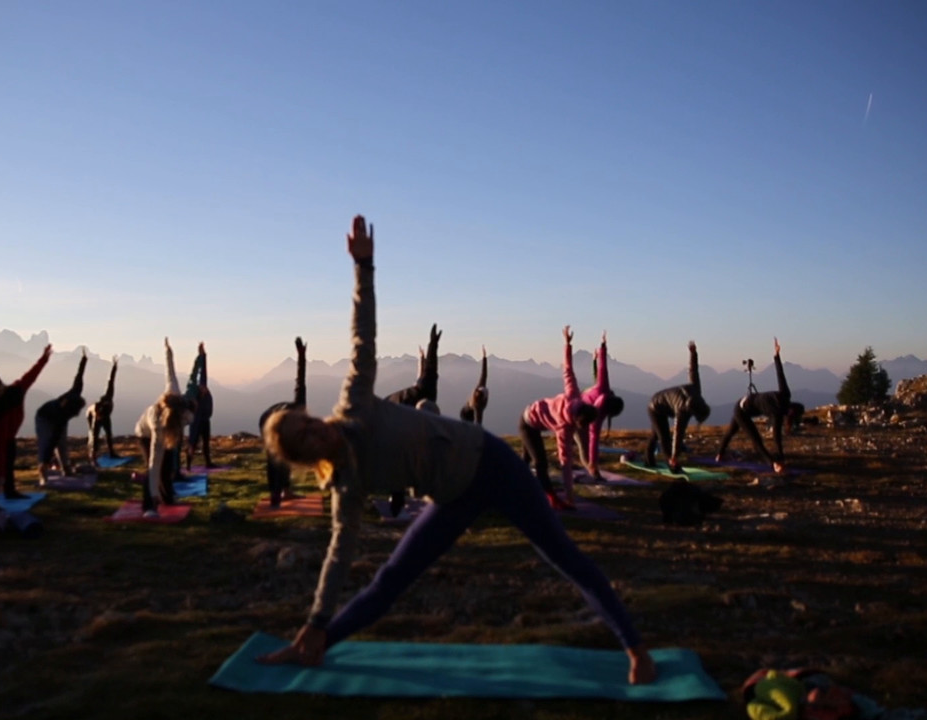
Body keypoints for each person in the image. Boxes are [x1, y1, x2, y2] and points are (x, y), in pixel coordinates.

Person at [256, 215, 655, 684]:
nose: (318, 429)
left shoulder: (355, 406)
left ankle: (636, 651)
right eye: (306, 437)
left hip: (492, 463)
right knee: (391, 580)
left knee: (564, 556)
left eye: (309, 422)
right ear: (307, 458)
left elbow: (363, 337)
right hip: (452, 496)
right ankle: (318, 645)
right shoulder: (346, 482)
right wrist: (316, 621)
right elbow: (339, 553)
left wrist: (364, 268)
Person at [517, 327, 598, 509]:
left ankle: (514, 487)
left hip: (533, 419)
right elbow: (565, 463)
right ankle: (550, 497)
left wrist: (567, 344)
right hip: (527, 422)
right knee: (540, 462)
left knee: (525, 461)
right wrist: (568, 498)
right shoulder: (564, 427)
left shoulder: (573, 395)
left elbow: (568, 370)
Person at [0, 345, 52, 511]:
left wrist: (44, 358)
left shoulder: (17, 389)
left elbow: (31, 375)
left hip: (8, 434)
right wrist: (0, 475)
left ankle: (10, 491)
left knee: (10, 457)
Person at [384, 324, 442, 515]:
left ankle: (402, 496)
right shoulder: (411, 400)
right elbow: (430, 366)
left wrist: (432, 344)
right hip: (387, 415)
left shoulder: (426, 387)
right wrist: (432, 343)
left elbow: (430, 366)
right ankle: (397, 498)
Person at [134, 338, 194, 518]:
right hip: (144, 433)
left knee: (168, 466)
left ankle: (167, 498)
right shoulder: (157, 424)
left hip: (167, 428)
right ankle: (149, 505)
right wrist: (152, 502)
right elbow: (154, 465)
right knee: (155, 467)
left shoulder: (174, 393)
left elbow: (170, 371)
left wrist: (168, 350)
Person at [714, 338, 790, 473]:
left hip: (743, 404)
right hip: (741, 410)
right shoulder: (776, 411)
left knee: (731, 431)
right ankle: (772, 464)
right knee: (756, 439)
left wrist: (777, 355)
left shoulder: (785, 395)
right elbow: (776, 436)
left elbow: (780, 375)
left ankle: (719, 455)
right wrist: (778, 461)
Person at [644, 341, 711, 472]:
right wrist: (674, 456)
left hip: (664, 401)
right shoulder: (683, 411)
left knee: (656, 434)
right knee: (663, 436)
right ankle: (672, 464)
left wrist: (693, 353)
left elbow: (693, 371)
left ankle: (649, 460)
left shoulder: (695, 390)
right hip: (655, 407)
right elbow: (678, 434)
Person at [259, 337, 307, 507]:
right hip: (267, 420)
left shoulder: (300, 406)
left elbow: (300, 382)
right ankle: (275, 495)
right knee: (275, 459)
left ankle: (286, 491)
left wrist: (301, 356)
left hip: (279, 417)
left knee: (286, 457)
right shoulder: (282, 426)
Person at [576, 331, 626, 480]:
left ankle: (592, 469)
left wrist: (602, 346)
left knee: (583, 445)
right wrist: (594, 463)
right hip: (576, 416)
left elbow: (602, 369)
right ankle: (592, 470)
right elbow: (594, 439)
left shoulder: (604, 388)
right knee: (584, 446)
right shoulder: (599, 415)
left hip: (574, 405)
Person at [35, 347, 88, 483]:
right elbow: (52, 441)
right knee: (48, 442)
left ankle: (66, 469)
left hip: (55, 415)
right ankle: (43, 471)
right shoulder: (61, 415)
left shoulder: (75, 393)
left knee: (62, 443)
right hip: (43, 417)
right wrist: (45, 460)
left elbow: (79, 377)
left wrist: (84, 360)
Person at [86, 355, 121, 465]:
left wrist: (114, 367)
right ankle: (93, 456)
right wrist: (98, 416)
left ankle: (111, 453)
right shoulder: (96, 410)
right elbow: (94, 435)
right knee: (94, 435)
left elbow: (111, 380)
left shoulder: (109, 396)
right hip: (91, 415)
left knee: (108, 433)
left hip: (103, 415)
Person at [185, 343, 215, 471]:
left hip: (205, 420)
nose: (204, 388)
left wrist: (203, 355)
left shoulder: (203, 387)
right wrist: (200, 357)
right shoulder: (194, 394)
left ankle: (208, 462)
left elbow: (203, 372)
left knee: (206, 443)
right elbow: (196, 373)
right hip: (196, 421)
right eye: (202, 388)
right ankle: (188, 465)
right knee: (193, 443)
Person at [458, 346, 488, 425]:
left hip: (466, 411)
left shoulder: (480, 388)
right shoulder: (478, 407)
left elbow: (484, 374)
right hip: (466, 415)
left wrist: (484, 357)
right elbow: (478, 422)